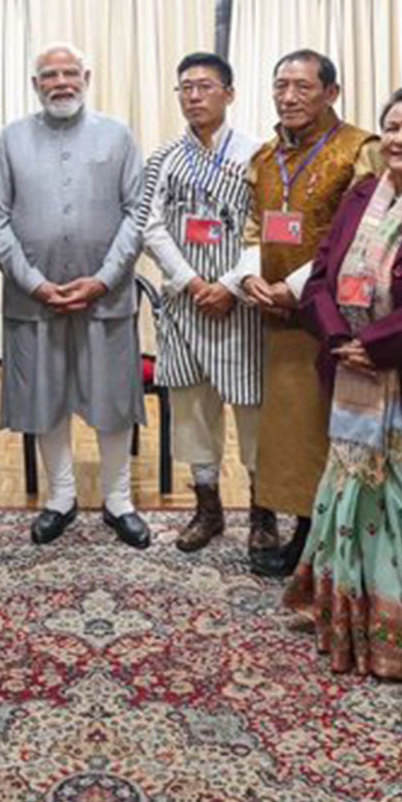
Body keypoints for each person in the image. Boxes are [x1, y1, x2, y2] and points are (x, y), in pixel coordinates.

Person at [283, 87, 402, 679]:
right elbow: (322, 274)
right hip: (351, 375)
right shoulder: (362, 194)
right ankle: (346, 619)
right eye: (393, 128)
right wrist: (338, 338)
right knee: (350, 503)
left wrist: (379, 343)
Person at [0, 43, 149, 548]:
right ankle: (61, 498)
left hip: (106, 296)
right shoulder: (11, 139)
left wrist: (102, 279)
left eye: (70, 73)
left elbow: (137, 215)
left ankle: (119, 501)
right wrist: (34, 282)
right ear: (36, 84)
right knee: (44, 397)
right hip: (35, 300)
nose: (61, 83)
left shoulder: (118, 135)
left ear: (87, 76)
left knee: (113, 400)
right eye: (49, 75)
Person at [236, 50, 380, 576]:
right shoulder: (268, 155)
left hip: (334, 315)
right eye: (281, 86)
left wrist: (295, 287)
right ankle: (306, 532)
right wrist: (251, 275)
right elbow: (256, 226)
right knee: (292, 432)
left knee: (332, 428)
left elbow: (361, 232)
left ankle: (331, 540)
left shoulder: (360, 150)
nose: (289, 97)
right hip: (275, 313)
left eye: (303, 87)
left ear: (331, 93)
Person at [137, 52, 263, 551]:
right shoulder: (163, 159)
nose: (194, 96)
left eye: (205, 86)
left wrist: (229, 285)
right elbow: (149, 226)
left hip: (240, 304)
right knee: (190, 411)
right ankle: (207, 509)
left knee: (253, 410)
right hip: (186, 302)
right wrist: (191, 281)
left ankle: (262, 512)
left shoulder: (259, 156)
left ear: (229, 94)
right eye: (185, 87)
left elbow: (266, 231)